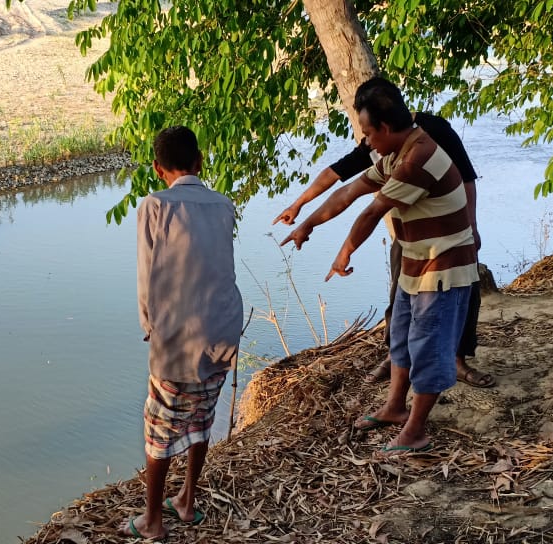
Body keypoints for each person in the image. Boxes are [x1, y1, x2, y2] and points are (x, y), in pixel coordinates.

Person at [281, 86, 478, 453]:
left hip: (443, 267)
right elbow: (349, 192)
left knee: (429, 346)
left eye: (368, 133)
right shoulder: (395, 152)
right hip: (417, 259)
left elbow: (372, 212)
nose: (365, 140)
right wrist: (307, 223)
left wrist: (344, 254)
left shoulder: (417, 158)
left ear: (386, 127)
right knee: (401, 335)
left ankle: (416, 431)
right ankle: (394, 408)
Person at [123, 126, 244, 540]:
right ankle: (187, 502)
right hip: (222, 329)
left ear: (158, 169)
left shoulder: (154, 205)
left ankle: (152, 521)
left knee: (159, 428)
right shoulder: (224, 204)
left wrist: (149, 327)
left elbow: (147, 277)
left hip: (178, 334)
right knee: (201, 417)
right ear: (200, 162)